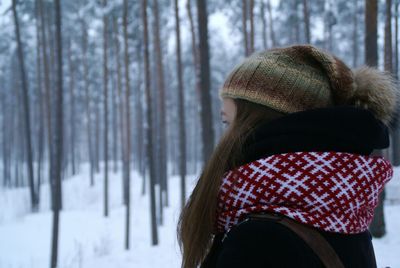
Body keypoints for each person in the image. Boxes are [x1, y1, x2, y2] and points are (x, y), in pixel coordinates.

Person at [177, 45, 397, 268]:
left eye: (229, 122)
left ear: (263, 125)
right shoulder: (342, 218)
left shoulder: (258, 242)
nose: (226, 137)